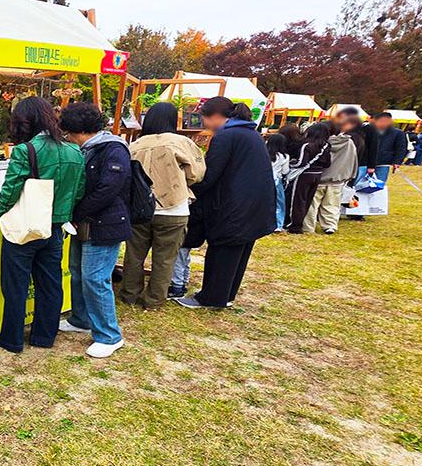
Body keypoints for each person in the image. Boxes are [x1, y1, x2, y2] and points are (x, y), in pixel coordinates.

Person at [0, 97, 85, 353]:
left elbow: (10, 189)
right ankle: (44, 336)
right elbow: (79, 191)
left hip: (24, 228)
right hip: (54, 229)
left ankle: (11, 339)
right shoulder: (74, 151)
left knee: (15, 285)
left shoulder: (26, 150)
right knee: (50, 284)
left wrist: (0, 212)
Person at [174, 97, 276, 309]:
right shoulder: (250, 134)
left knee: (222, 250)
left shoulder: (226, 136)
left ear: (215, 116)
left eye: (204, 118)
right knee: (239, 252)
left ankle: (210, 298)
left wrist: (189, 191)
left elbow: (210, 174)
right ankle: (226, 295)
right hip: (255, 203)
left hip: (235, 205)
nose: (204, 124)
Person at [59, 102, 130, 357]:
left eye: (68, 132)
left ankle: (109, 336)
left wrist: (78, 212)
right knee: (77, 272)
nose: (67, 137)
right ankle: (81, 319)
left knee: (95, 278)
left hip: (104, 224)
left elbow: (107, 189)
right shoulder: (87, 149)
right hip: (84, 224)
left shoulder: (113, 149)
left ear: (78, 130)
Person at [119, 101, 206, 309]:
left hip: (139, 208)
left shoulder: (135, 145)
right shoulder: (182, 143)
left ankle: (129, 294)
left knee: (134, 255)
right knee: (165, 259)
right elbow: (196, 174)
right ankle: (154, 300)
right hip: (174, 208)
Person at [303, 122, 357, 234]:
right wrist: (350, 175)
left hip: (318, 178)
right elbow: (353, 159)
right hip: (338, 179)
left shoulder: (319, 143)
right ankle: (330, 225)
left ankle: (308, 227)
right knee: (332, 204)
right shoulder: (349, 143)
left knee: (312, 204)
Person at [284, 122, 332, 234]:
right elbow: (327, 163)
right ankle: (300, 223)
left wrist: (290, 164)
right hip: (317, 174)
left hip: (304, 175)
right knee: (308, 200)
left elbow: (301, 163)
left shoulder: (306, 146)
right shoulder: (326, 146)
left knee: (297, 200)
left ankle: (294, 225)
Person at [370, 112, 408, 181]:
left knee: (379, 183)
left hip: (383, 162)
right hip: (367, 162)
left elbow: (401, 148)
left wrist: (397, 161)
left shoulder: (398, 133)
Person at [264, 133, 289, 232]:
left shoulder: (264, 154)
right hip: (277, 180)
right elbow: (285, 171)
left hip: (264, 179)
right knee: (279, 203)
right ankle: (278, 225)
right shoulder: (284, 156)